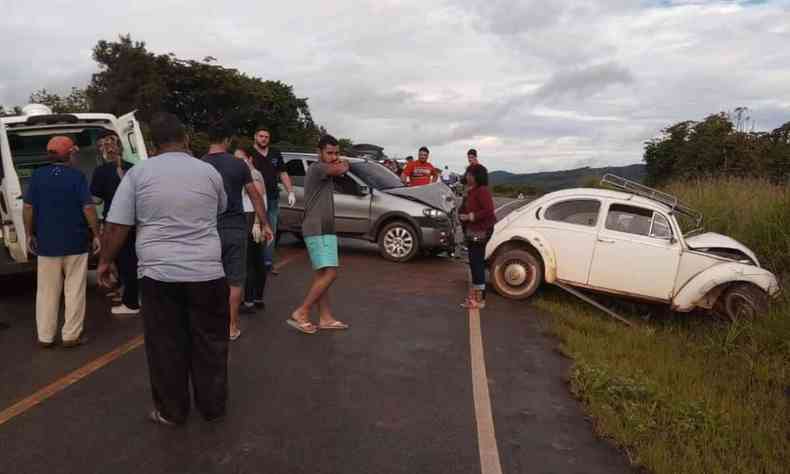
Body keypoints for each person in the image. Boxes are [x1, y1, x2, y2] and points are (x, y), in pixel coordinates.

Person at [97, 113, 230, 426]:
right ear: (185, 139)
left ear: (154, 145)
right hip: (207, 272)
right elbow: (220, 208)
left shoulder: (138, 174)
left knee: (166, 344)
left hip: (159, 275)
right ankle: (212, 408)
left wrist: (104, 262)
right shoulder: (208, 172)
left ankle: (171, 411)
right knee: (210, 341)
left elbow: (117, 226)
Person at [23, 136, 101, 348]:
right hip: (75, 242)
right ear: (68, 154)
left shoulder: (38, 176)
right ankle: (71, 335)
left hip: (47, 244)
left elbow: (28, 207)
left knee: (47, 291)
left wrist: (29, 234)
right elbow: (88, 207)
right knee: (74, 289)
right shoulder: (77, 177)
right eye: (73, 152)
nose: (75, 155)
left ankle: (46, 337)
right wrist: (96, 233)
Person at [203, 130, 272, 340]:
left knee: (208, 279)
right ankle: (231, 327)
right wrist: (265, 223)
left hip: (207, 229)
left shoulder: (200, 165)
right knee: (234, 281)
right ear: (227, 140)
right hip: (234, 228)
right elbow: (256, 197)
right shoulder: (238, 164)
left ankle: (209, 324)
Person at [287, 135, 350, 334]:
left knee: (322, 276)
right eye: (329, 153)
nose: (333, 157)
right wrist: (344, 161)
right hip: (317, 228)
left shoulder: (324, 170)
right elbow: (341, 169)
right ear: (319, 152)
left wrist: (341, 160)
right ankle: (302, 312)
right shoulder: (317, 168)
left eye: (336, 153)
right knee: (331, 273)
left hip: (325, 228)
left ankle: (325, 318)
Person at [90, 130, 140, 316]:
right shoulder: (133, 168)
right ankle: (130, 293)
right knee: (133, 259)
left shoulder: (101, 171)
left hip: (114, 222)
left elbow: (95, 200)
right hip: (135, 222)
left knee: (120, 260)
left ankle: (131, 302)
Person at [250, 126, 295, 278]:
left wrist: (290, 192)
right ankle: (252, 263)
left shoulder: (275, 153)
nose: (263, 139)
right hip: (253, 199)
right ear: (255, 137)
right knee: (253, 231)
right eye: (261, 136)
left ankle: (268, 263)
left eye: (266, 137)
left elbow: (283, 173)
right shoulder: (249, 153)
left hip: (272, 198)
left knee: (271, 230)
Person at [234, 147, 269, 314]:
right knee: (257, 260)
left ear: (250, 159)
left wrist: (256, 222)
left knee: (250, 262)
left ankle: (249, 301)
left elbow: (259, 196)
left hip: (251, 216)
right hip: (254, 217)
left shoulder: (252, 174)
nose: (238, 162)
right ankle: (257, 298)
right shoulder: (251, 173)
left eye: (241, 159)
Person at [458, 164, 496, 309]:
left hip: (481, 231)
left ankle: (479, 300)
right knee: (474, 263)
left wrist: (469, 216)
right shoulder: (472, 190)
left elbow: (489, 210)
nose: (466, 175)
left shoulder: (482, 191)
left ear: (475, 176)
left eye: (469, 173)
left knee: (477, 263)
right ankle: (475, 296)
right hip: (474, 230)